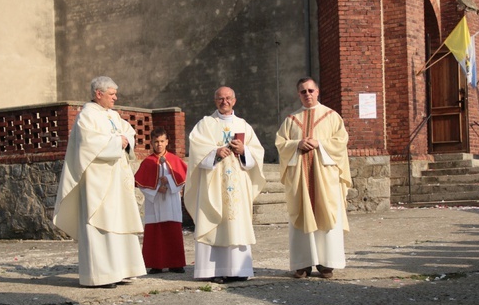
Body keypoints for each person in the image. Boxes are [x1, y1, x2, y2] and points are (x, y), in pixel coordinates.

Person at [52, 76, 146, 287]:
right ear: (98, 94)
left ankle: (121, 271)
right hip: (98, 184)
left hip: (116, 184)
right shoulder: (86, 116)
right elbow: (88, 144)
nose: (115, 97)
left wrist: (124, 140)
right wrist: (116, 141)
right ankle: (101, 276)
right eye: (112, 94)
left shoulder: (113, 115)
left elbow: (129, 133)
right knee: (100, 227)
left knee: (120, 222)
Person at [184, 86, 266, 283]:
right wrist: (215, 152)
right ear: (215, 101)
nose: (224, 102)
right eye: (220, 98)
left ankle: (238, 270)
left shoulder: (244, 125)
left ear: (234, 101)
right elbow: (195, 149)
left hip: (237, 184)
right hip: (213, 185)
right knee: (215, 222)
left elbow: (258, 153)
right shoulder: (205, 124)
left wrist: (244, 150)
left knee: (235, 223)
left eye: (228, 98)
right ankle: (213, 270)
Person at [275, 77, 351, 279]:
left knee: (327, 215)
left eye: (310, 90)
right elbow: (281, 144)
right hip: (300, 178)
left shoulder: (332, 116)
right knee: (301, 217)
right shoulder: (291, 120)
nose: (307, 94)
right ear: (298, 94)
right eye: (303, 91)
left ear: (317, 91)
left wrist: (319, 143)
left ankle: (327, 264)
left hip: (325, 178)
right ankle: (302, 264)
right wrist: (296, 144)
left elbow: (341, 141)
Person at [135, 127, 188, 274]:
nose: (159, 144)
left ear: (167, 142)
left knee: (173, 231)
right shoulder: (147, 162)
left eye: (162, 141)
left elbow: (183, 178)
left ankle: (176, 263)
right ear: (151, 142)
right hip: (155, 202)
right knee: (155, 232)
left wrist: (170, 181)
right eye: (156, 141)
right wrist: (157, 187)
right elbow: (140, 183)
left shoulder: (175, 159)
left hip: (171, 200)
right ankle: (156, 264)